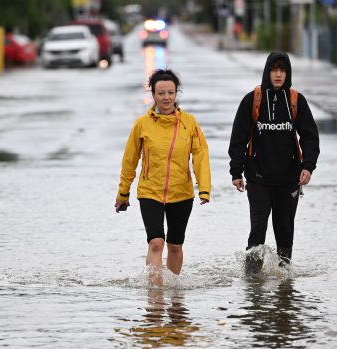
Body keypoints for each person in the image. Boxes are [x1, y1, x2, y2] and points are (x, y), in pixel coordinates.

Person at [115, 69, 211, 284]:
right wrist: (123, 192)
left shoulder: (189, 123)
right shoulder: (142, 124)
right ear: (153, 95)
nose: (166, 98)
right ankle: (155, 294)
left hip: (181, 193)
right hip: (150, 191)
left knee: (175, 246)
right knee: (156, 242)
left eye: (170, 92)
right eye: (161, 93)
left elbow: (201, 156)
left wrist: (204, 188)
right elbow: (130, 160)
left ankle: (173, 293)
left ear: (176, 94)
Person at [228, 52, 320, 273]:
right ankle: (252, 278)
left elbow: (310, 136)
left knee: (285, 230)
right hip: (258, 178)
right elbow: (239, 138)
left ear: (287, 73)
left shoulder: (296, 100)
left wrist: (308, 166)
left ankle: (284, 277)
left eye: (282, 70)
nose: (278, 75)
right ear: (267, 71)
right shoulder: (253, 100)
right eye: (274, 70)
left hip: (289, 179)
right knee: (258, 229)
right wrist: (236, 172)